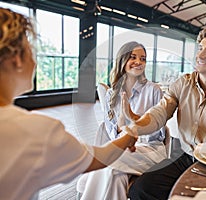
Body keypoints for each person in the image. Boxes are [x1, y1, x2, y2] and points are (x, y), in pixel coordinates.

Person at [0, 7, 137, 200]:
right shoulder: (34, 131)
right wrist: (129, 135)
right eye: (32, 50)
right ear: (16, 59)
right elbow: (101, 157)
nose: (36, 60)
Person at [126, 26, 206, 199]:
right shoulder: (183, 83)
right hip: (185, 157)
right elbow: (160, 112)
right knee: (140, 189)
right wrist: (135, 129)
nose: (200, 55)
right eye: (200, 48)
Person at [80, 41, 167, 200]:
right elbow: (113, 133)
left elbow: (159, 134)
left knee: (107, 159)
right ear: (122, 60)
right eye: (133, 57)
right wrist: (122, 119)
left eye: (143, 59)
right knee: (116, 175)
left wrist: (134, 121)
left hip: (151, 149)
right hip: (123, 147)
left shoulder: (154, 90)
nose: (138, 62)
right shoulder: (112, 93)